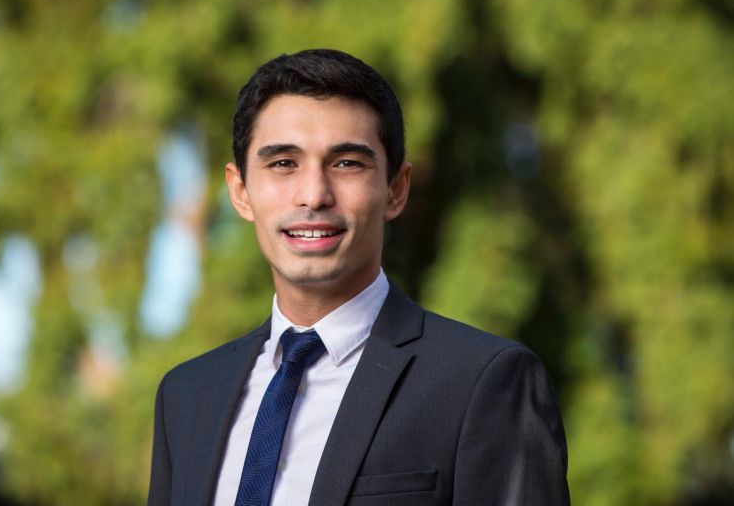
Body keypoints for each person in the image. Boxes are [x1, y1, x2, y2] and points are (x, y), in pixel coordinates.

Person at [147, 49, 570, 505]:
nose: (313, 194)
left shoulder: (481, 384)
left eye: (347, 163)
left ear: (396, 189)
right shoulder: (186, 396)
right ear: (240, 192)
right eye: (283, 163)